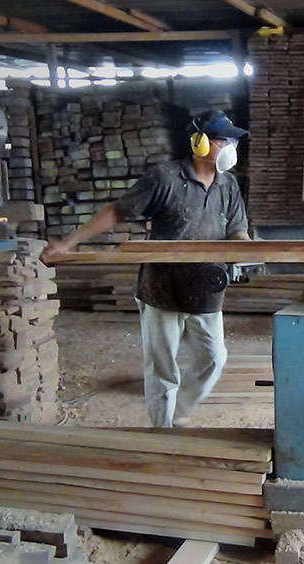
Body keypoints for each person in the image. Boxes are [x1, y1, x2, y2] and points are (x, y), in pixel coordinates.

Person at [41, 109, 251, 428]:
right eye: (224, 140)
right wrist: (69, 243)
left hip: (206, 288)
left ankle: (179, 411)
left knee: (214, 359)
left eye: (231, 141)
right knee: (162, 369)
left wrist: (247, 249)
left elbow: (237, 228)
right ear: (201, 143)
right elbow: (117, 212)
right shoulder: (165, 178)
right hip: (162, 288)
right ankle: (162, 431)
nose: (230, 148)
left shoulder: (229, 186)